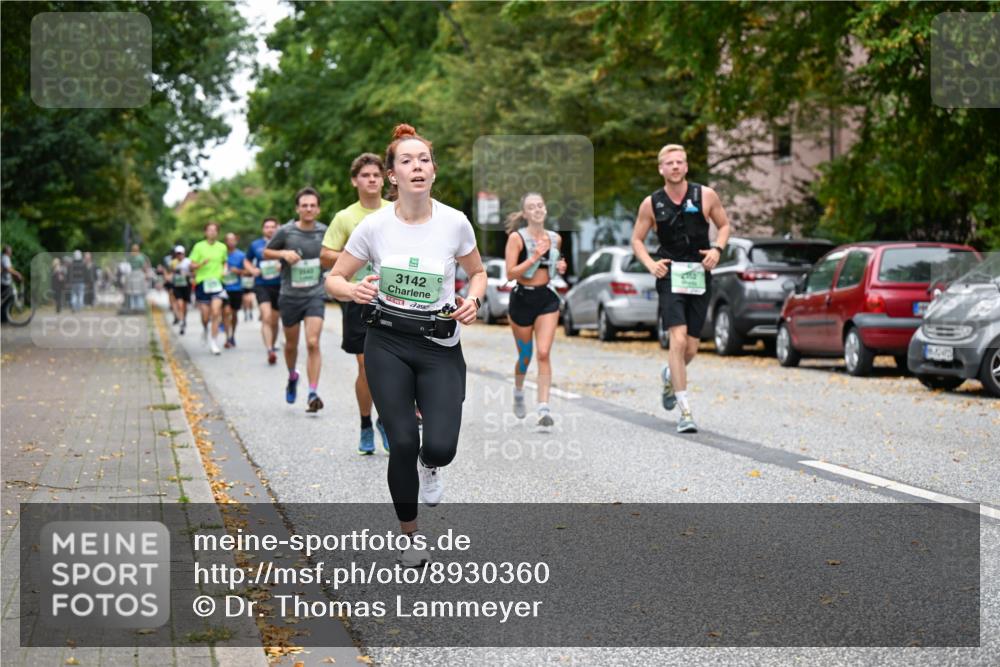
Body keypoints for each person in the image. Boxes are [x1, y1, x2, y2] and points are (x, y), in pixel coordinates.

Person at [326, 124, 486, 568]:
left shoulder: (455, 222)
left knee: (440, 447)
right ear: (392, 175)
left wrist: (473, 300)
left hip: (439, 344)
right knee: (400, 441)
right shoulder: (374, 226)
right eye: (406, 160)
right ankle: (410, 536)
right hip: (388, 342)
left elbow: (477, 273)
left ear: (434, 170)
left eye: (424, 159)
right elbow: (334, 278)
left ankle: (429, 464)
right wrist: (352, 290)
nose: (417, 166)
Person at [631, 143, 731, 434]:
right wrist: (651, 264)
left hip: (699, 273)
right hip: (670, 274)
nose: (675, 166)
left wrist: (717, 250)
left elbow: (724, 226)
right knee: (677, 339)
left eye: (679, 162)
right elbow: (637, 239)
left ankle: (669, 375)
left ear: (686, 167)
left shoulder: (705, 195)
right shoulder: (651, 203)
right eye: (669, 163)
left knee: (691, 347)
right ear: (661, 169)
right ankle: (685, 411)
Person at [320, 153, 393, 454]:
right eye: (365, 175)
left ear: (384, 179)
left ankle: (385, 421)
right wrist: (357, 257)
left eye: (376, 174)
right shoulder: (345, 217)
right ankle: (366, 423)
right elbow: (326, 255)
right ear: (355, 181)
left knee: (391, 367)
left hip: (393, 298)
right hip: (358, 297)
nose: (372, 179)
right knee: (366, 366)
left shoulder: (396, 211)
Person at [503, 193, 568, 428]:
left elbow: (554, 266)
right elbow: (510, 273)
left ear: (546, 209)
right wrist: (535, 257)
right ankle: (519, 391)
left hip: (546, 299)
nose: (537, 209)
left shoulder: (555, 238)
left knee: (543, 352)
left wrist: (560, 266)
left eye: (540, 205)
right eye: (531, 207)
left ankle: (543, 408)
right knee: (525, 356)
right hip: (522, 299)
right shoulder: (517, 238)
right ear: (525, 213)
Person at [264, 188, 329, 412]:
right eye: (304, 205)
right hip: (290, 296)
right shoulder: (286, 231)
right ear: (297, 208)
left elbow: (333, 254)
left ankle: (312, 392)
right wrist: (283, 253)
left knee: (312, 342)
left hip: (315, 294)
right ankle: (292, 376)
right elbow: (267, 252)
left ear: (318, 209)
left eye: (312, 205)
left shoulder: (325, 232)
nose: (308, 209)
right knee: (291, 345)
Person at [244, 218, 283, 365]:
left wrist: (283, 264)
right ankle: (270, 350)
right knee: (266, 317)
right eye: (267, 227)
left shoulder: (283, 243)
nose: (270, 229)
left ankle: (272, 344)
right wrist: (252, 270)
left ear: (277, 228)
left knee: (275, 320)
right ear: (263, 229)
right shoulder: (255, 245)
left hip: (279, 285)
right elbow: (247, 260)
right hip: (262, 285)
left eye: (273, 227)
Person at [189, 222, 229, 355]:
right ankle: (205, 328)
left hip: (218, 283)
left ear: (217, 232)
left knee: (216, 312)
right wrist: (201, 264)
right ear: (205, 232)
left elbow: (225, 262)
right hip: (203, 283)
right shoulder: (198, 246)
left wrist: (225, 270)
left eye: (214, 230)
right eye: (209, 230)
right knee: (205, 316)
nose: (212, 232)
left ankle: (214, 342)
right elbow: (191, 265)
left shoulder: (222, 247)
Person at [222, 232, 247, 349]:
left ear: (236, 241)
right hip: (223, 288)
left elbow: (247, 271)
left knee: (234, 313)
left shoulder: (241, 255)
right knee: (226, 312)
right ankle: (227, 337)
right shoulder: (222, 254)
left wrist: (238, 271)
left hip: (236, 288)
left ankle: (233, 335)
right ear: (225, 241)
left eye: (233, 240)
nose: (231, 242)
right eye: (229, 240)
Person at [167, 246, 193, 335]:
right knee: (179, 304)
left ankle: (183, 319)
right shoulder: (172, 263)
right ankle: (181, 322)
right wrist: (170, 276)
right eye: (177, 254)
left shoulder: (188, 261)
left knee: (184, 305)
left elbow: (193, 273)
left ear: (184, 253)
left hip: (186, 286)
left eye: (180, 253)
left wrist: (187, 274)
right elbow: (169, 273)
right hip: (177, 286)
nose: (179, 255)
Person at [1, 245, 24, 321]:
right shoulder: (5, 258)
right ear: (7, 251)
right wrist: (17, 274)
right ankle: (5, 318)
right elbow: (8, 269)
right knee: (8, 299)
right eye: (10, 250)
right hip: (5, 283)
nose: (11, 252)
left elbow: (7, 269)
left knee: (6, 299)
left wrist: (14, 275)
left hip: (5, 282)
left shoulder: (3, 257)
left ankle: (5, 317)